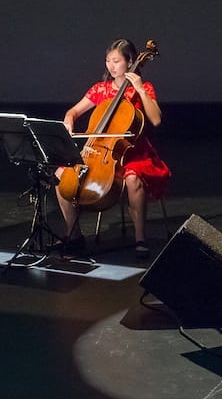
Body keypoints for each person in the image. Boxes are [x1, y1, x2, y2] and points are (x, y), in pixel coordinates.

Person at [56, 38, 170, 258]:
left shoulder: (143, 88)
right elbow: (73, 112)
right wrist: (68, 120)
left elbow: (155, 120)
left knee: (132, 178)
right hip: (101, 151)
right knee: (62, 176)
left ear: (130, 62)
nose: (111, 66)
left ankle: (140, 239)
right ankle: (74, 235)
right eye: (108, 60)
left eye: (116, 61)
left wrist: (140, 90)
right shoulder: (100, 89)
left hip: (134, 152)